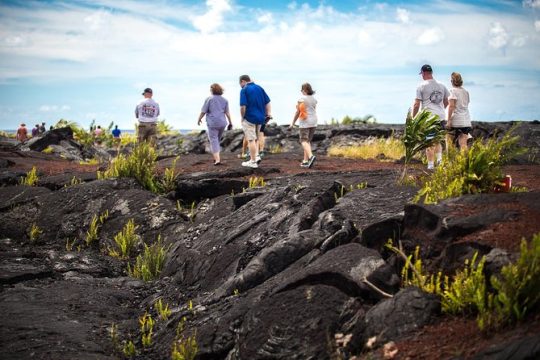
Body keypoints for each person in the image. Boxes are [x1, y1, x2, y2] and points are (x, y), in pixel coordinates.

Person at [412, 64, 449, 170]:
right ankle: (440, 162)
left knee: (429, 142)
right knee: (437, 140)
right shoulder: (442, 85)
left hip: (429, 119)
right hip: (441, 117)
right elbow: (447, 102)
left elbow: (416, 104)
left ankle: (431, 166)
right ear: (431, 73)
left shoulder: (421, 86)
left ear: (423, 73)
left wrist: (414, 118)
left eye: (422, 74)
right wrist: (440, 109)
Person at [239, 75, 271, 168]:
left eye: (240, 84)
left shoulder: (244, 90)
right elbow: (267, 102)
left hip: (249, 118)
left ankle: (253, 161)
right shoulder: (260, 88)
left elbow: (243, 106)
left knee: (251, 139)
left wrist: (242, 117)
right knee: (256, 138)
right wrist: (268, 114)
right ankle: (256, 156)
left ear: (243, 81)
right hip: (260, 118)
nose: (240, 86)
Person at [197, 83, 233, 165]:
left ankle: (217, 159)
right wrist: (230, 122)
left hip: (213, 123)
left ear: (212, 90)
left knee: (213, 140)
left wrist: (199, 119)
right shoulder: (225, 100)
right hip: (222, 123)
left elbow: (203, 111)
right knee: (217, 140)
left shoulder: (209, 99)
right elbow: (227, 113)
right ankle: (216, 157)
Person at [289, 82, 318, 168]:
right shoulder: (314, 99)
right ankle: (305, 161)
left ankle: (311, 156)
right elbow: (313, 110)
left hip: (305, 122)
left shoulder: (301, 99)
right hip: (314, 121)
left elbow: (298, 112)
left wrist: (293, 123)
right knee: (307, 141)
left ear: (305, 90)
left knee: (303, 141)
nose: (301, 91)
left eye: (301, 89)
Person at [446, 72, 472, 151]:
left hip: (456, 120)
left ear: (452, 81)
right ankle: (465, 162)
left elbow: (451, 106)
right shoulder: (466, 92)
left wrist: (449, 120)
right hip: (466, 120)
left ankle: (450, 161)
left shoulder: (452, 91)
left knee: (449, 141)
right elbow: (467, 104)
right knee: (463, 143)